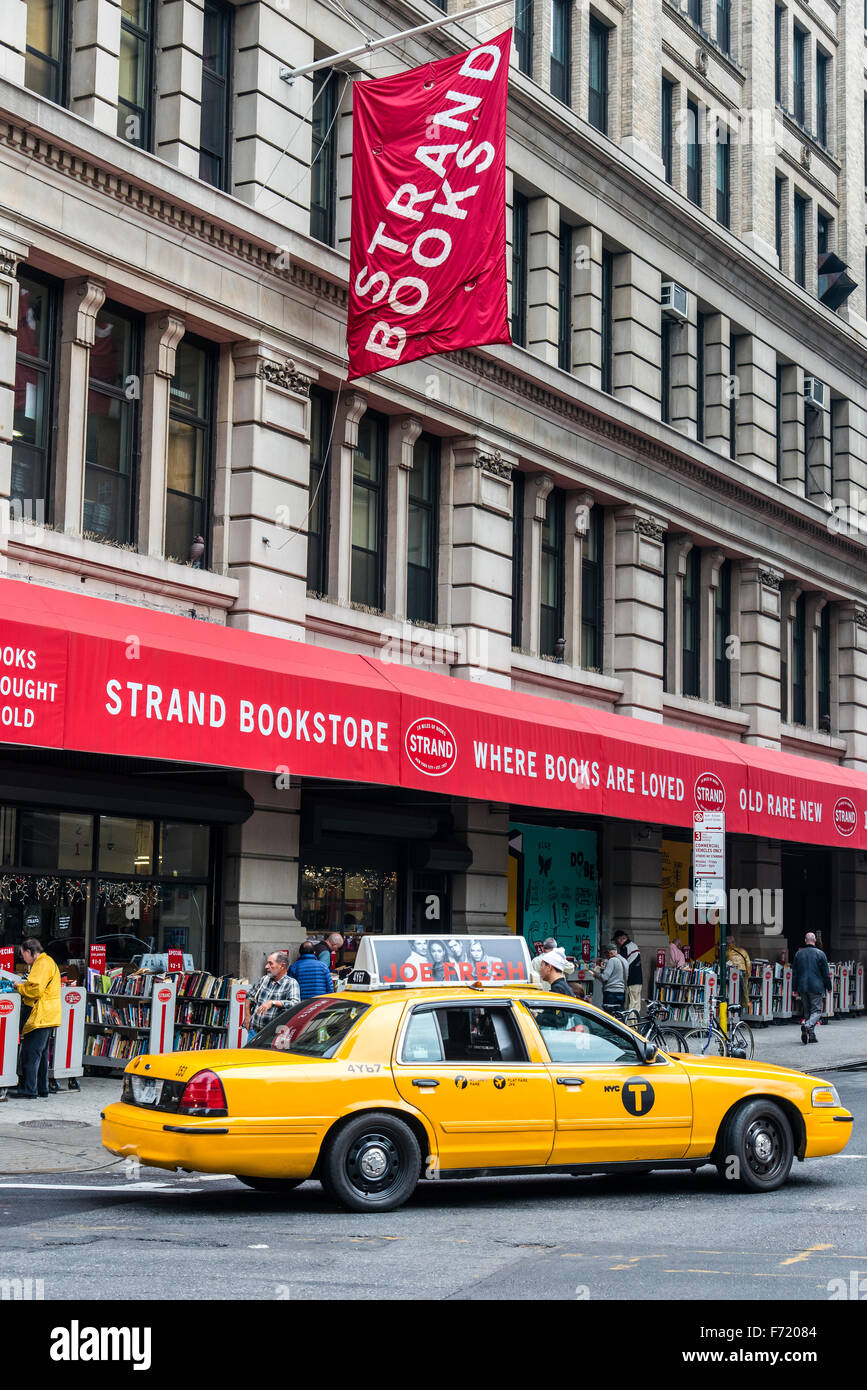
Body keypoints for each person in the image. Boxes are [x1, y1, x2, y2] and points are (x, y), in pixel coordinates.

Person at [7, 939, 61, 1100]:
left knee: (31, 1054)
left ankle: (29, 1090)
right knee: (41, 1054)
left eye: (23, 954)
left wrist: (19, 987)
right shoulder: (47, 962)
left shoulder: (42, 963)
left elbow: (36, 990)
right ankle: (41, 1088)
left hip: (40, 1015)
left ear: (31, 951)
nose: (23, 958)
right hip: (47, 1014)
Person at [244, 951, 300, 1037]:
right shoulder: (264, 979)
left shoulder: (291, 983)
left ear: (282, 966)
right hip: (254, 1032)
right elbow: (249, 996)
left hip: (273, 1036)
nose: (266, 967)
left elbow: (295, 1003)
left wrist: (273, 1002)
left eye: (270, 964)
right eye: (267, 963)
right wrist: (247, 1017)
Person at [793, 931, 832, 1044]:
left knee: (807, 1013)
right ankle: (807, 1025)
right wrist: (829, 986)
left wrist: (794, 989)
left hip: (803, 987)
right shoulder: (820, 954)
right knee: (817, 1011)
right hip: (816, 987)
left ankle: (812, 1036)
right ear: (814, 940)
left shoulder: (798, 954)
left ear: (805, 941)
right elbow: (825, 973)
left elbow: (795, 973)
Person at [592, 944, 628, 1013]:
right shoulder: (624, 961)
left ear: (610, 952)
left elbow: (604, 977)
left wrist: (596, 974)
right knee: (619, 1015)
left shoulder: (612, 960)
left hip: (611, 993)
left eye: (606, 954)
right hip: (621, 992)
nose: (606, 957)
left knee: (609, 1015)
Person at [614, 930, 643, 1015]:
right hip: (638, 979)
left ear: (620, 939)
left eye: (616, 941)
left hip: (632, 980)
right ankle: (635, 1025)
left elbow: (621, 963)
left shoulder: (626, 947)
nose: (617, 943)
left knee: (631, 1004)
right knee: (636, 1004)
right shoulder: (634, 945)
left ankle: (631, 1026)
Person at [726, 938, 752, 1017]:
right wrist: (748, 975)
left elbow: (723, 963)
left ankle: (733, 1013)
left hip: (732, 974)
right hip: (743, 972)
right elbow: (748, 964)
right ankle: (742, 1012)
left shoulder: (726, 952)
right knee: (743, 994)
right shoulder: (743, 951)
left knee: (733, 993)